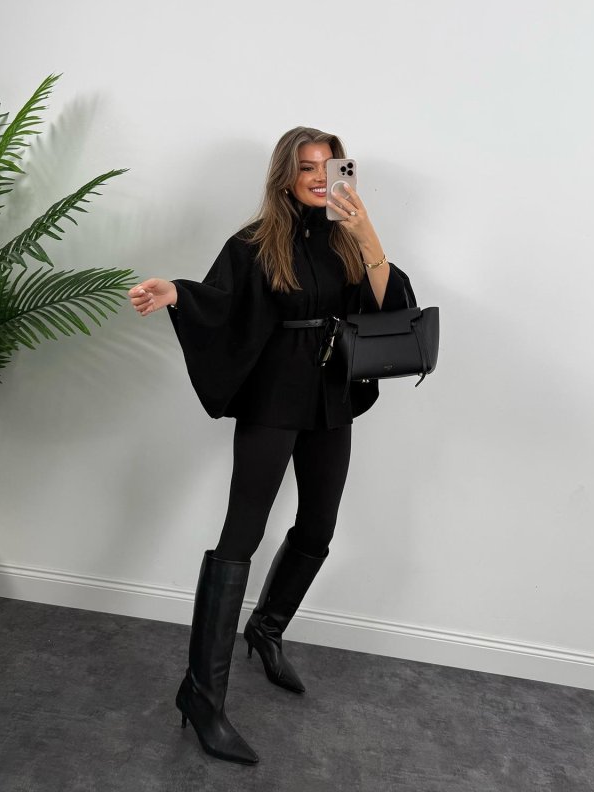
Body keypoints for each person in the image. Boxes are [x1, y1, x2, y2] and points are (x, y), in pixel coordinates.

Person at [127, 127, 415, 766]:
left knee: (318, 527)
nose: (318, 177)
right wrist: (176, 292)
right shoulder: (255, 242)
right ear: (286, 174)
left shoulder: (349, 240)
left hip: (331, 395)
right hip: (274, 397)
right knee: (242, 534)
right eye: (306, 166)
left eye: (330, 166)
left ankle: (267, 628)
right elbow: (219, 301)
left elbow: (390, 304)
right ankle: (202, 696)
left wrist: (365, 228)